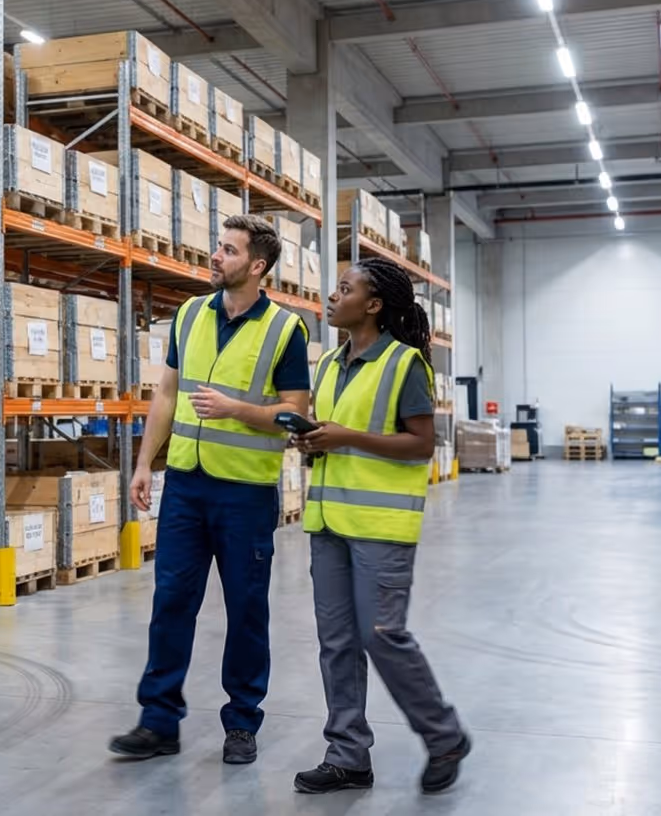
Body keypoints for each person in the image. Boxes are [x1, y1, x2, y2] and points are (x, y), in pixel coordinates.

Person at [108, 215, 311, 766]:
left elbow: (297, 413)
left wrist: (238, 410)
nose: (216, 256)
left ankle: (242, 723)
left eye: (228, 250)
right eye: (217, 247)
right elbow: (167, 394)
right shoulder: (190, 314)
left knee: (246, 610)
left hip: (245, 493)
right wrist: (144, 463)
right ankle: (158, 722)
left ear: (257, 265)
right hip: (186, 489)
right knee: (171, 601)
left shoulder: (286, 330)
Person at [291, 257, 471, 795]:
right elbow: (338, 431)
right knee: (337, 642)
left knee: (383, 636)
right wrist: (312, 438)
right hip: (327, 522)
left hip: (380, 526)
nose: (331, 296)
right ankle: (347, 755)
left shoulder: (405, 364)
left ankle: (444, 735)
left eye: (343, 289)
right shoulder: (326, 365)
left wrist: (345, 436)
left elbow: (422, 445)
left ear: (372, 305)